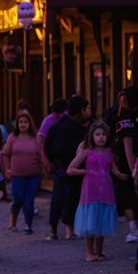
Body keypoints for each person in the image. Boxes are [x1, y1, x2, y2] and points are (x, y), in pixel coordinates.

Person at [68, 121, 128, 261]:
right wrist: (84, 171)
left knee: (102, 222)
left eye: (103, 134)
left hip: (106, 191)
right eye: (97, 134)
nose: (101, 137)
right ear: (91, 136)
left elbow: (113, 169)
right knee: (90, 222)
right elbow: (70, 169)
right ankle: (89, 253)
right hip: (90, 192)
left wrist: (120, 175)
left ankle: (99, 252)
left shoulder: (109, 152)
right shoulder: (86, 152)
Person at [44, 95, 90, 240]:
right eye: (87, 109)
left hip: (73, 169)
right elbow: (50, 148)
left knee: (68, 198)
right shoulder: (64, 128)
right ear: (80, 110)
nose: (89, 112)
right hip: (64, 169)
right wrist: (56, 162)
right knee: (64, 198)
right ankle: (58, 229)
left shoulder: (83, 126)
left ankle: (62, 229)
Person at [2, 111, 44, 234]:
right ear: (17, 124)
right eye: (20, 122)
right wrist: (7, 169)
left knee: (29, 201)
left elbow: (41, 155)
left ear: (30, 124)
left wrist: (44, 166)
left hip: (33, 175)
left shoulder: (35, 138)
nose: (23, 124)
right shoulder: (12, 138)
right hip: (17, 175)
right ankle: (13, 221)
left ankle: (28, 225)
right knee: (18, 199)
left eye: (25, 122)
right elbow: (5, 154)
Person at [114, 86, 138, 243]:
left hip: (129, 164)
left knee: (128, 196)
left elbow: (128, 148)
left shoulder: (125, 120)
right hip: (134, 162)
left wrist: (134, 172)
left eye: (123, 100)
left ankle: (134, 230)